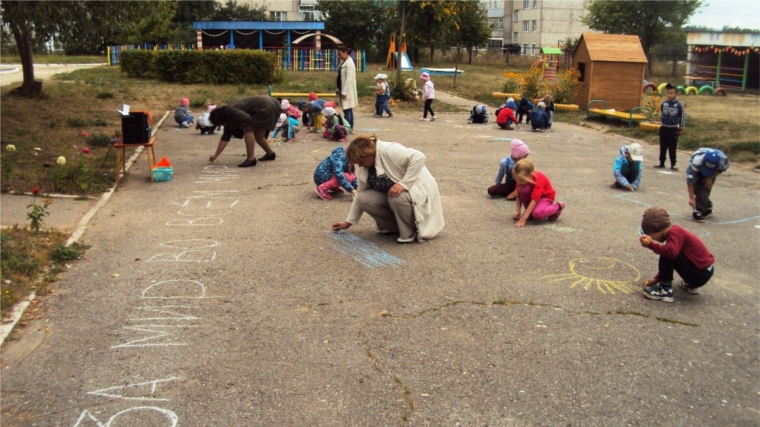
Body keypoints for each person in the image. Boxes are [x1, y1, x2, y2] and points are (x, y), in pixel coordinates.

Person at [331, 134, 444, 243]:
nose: (360, 166)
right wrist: (348, 223)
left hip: (416, 191)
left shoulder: (389, 150)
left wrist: (404, 184)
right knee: (363, 198)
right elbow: (359, 194)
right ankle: (395, 227)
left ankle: (409, 232)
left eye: (361, 162)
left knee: (397, 197)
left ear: (369, 154)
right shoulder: (367, 166)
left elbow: (419, 157)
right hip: (395, 197)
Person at [639, 206, 715, 302]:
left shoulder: (675, 233)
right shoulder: (675, 232)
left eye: (650, 235)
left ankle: (665, 291)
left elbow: (670, 254)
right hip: (704, 272)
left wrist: (651, 245)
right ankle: (691, 284)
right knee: (668, 251)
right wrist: (656, 279)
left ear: (656, 229)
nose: (652, 238)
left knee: (667, 253)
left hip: (699, 274)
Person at [208, 95, 279, 167]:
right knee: (259, 136)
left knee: (248, 128)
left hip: (264, 106)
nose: (223, 125)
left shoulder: (230, 110)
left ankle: (250, 159)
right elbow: (225, 138)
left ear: (221, 120)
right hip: (271, 104)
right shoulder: (228, 115)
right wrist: (216, 155)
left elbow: (247, 118)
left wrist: (242, 123)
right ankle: (270, 154)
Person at [511, 159, 565, 227]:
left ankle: (558, 206)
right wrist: (518, 211)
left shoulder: (539, 178)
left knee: (537, 214)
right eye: (517, 179)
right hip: (534, 197)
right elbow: (518, 194)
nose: (519, 182)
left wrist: (524, 218)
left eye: (521, 180)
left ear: (530, 175)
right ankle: (530, 213)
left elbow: (535, 199)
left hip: (545, 197)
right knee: (523, 189)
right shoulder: (521, 178)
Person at [685, 147, 729, 222]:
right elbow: (690, 180)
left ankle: (698, 211)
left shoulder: (722, 161)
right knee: (695, 189)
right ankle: (708, 206)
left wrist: (711, 177)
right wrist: (691, 198)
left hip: (712, 173)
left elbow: (721, 170)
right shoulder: (697, 160)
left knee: (704, 192)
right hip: (698, 170)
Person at [655, 83, 685, 171]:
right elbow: (662, 113)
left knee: (672, 147)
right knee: (663, 146)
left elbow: (682, 116)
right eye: (668, 93)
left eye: (671, 93)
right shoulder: (664, 103)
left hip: (673, 128)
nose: (669, 95)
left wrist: (681, 127)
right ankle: (661, 162)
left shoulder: (679, 105)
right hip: (664, 128)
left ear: (676, 94)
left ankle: (673, 164)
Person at [336, 46, 358, 129]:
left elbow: (348, 79)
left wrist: (344, 92)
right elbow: (340, 78)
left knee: (347, 109)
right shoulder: (344, 62)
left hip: (347, 90)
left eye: (340, 54)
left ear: (345, 52)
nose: (339, 56)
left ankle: (347, 127)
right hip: (342, 88)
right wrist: (338, 89)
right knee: (348, 109)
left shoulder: (349, 63)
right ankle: (350, 127)